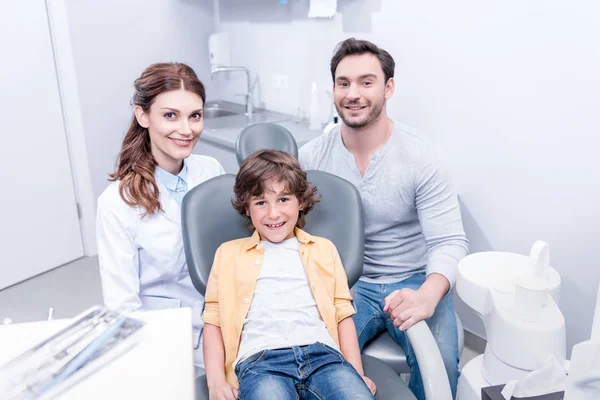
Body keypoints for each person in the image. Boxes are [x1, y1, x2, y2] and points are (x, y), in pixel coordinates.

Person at [299, 38, 469, 399]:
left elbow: (449, 241)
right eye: (343, 83)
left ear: (388, 87)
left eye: (366, 81)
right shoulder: (311, 157)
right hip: (346, 283)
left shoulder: (423, 157)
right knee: (311, 358)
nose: (353, 93)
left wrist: (427, 294)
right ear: (333, 89)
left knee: (440, 367)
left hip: (412, 280)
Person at [202, 150, 376, 400]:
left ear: (301, 201)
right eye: (261, 202)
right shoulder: (228, 254)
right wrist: (216, 382)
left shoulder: (324, 249)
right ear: (247, 208)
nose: (273, 214)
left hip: (324, 356)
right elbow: (213, 321)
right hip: (261, 361)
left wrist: (356, 371)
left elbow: (342, 314)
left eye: (283, 199)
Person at [96, 62, 225, 376]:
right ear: (143, 116)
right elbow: (122, 306)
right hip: (170, 337)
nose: (186, 129)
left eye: (195, 115)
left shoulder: (212, 171)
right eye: (170, 115)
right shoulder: (116, 203)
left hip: (226, 322)